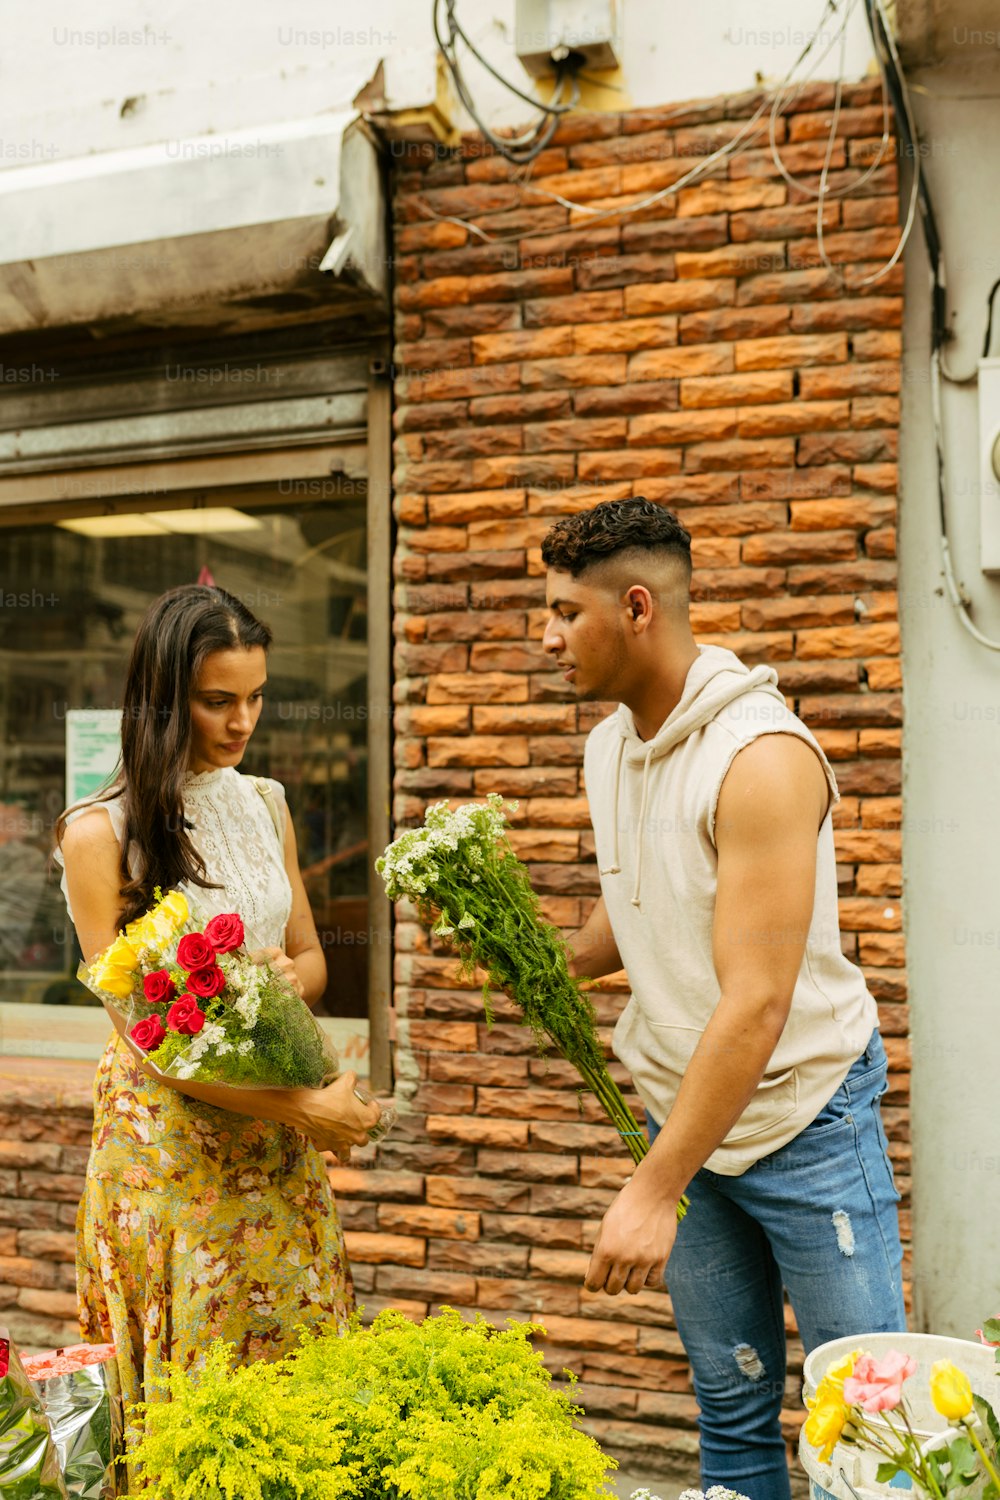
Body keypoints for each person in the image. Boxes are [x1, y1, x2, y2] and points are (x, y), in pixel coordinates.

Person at [540, 499, 905, 1500]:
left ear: (638, 607)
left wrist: (652, 1189)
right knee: (733, 1409)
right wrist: (544, 959)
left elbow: (754, 1001)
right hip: (685, 1110)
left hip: (802, 1119)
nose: (547, 637)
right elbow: (645, 897)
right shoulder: (609, 746)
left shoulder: (760, 760)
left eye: (566, 613)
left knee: (865, 1426)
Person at [55, 584, 380, 1418]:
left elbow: (311, 961)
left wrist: (264, 986)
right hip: (169, 1158)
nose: (243, 722)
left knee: (292, 1400)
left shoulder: (266, 803)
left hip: (274, 1146)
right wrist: (306, 1106)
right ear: (163, 703)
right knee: (188, 1405)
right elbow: (149, 1041)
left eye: (257, 698)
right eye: (217, 702)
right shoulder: (99, 835)